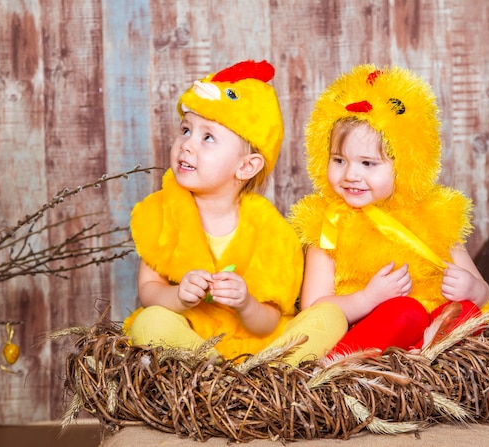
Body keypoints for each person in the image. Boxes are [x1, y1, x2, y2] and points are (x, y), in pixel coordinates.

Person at [123, 60, 347, 365]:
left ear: (246, 166)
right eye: (186, 130)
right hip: (194, 344)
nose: (187, 145)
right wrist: (178, 297)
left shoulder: (271, 230)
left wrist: (246, 304)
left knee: (331, 317)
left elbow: (268, 321)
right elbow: (149, 290)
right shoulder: (163, 211)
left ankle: (268, 375)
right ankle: (221, 378)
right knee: (149, 322)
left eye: (207, 137)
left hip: (260, 347)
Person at [289, 64, 489, 356]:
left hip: (428, 337)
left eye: (367, 163)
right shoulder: (328, 224)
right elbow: (313, 310)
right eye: (339, 160)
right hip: (365, 336)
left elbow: (486, 294)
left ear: (405, 166)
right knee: (405, 312)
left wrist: (472, 288)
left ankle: (423, 356)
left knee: (466, 311)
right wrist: (367, 298)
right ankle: (341, 365)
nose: (350, 174)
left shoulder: (434, 216)